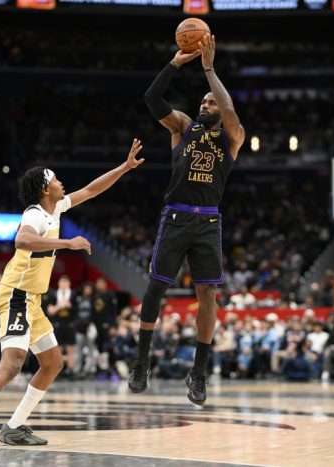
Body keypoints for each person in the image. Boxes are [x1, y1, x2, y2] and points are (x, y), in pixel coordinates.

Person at [0, 139, 144, 455]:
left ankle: (14, 427)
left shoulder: (56, 208)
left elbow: (91, 190)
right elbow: (22, 240)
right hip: (17, 295)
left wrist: (125, 167)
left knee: (52, 363)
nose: (61, 182)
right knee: (12, 363)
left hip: (33, 300)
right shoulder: (35, 214)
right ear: (44, 189)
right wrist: (68, 243)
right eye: (55, 179)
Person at [128, 33, 245, 406]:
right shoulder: (183, 127)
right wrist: (175, 64)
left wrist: (209, 70)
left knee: (208, 294)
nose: (205, 104)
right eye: (203, 101)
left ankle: (199, 372)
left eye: (211, 101)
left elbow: (229, 109)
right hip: (176, 216)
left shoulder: (233, 137)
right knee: (156, 287)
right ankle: (141, 362)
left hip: (208, 222)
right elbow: (152, 99)